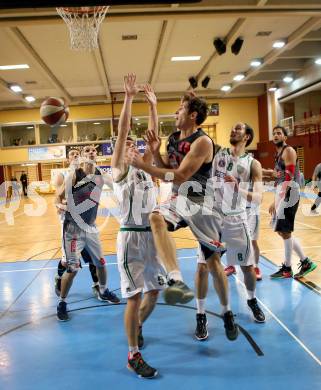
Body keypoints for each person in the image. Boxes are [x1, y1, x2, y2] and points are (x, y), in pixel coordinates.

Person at [126, 93, 238, 341]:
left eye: (180, 109)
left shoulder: (203, 142)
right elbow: (167, 166)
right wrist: (155, 154)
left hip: (203, 203)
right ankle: (175, 278)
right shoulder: (174, 138)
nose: (176, 113)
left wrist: (144, 165)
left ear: (193, 115)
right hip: (179, 199)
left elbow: (181, 175)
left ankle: (227, 311)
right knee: (155, 217)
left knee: (212, 264)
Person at [112, 74, 165, 379]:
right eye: (126, 145)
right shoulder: (120, 171)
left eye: (135, 145)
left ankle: (139, 325)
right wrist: (129, 99)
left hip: (151, 239)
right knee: (133, 297)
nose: (131, 146)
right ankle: (133, 355)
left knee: (155, 292)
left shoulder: (146, 171)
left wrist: (153, 105)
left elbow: (153, 137)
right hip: (130, 237)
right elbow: (122, 132)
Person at [194, 123, 265, 341]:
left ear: (247, 136)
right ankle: (201, 314)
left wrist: (238, 187)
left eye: (238, 129)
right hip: (213, 217)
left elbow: (259, 197)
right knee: (202, 267)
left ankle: (251, 299)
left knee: (247, 268)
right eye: (232, 129)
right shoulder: (217, 153)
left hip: (237, 218)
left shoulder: (253, 164)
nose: (233, 131)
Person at [55, 145, 120, 321]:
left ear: (96, 155)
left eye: (93, 151)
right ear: (83, 156)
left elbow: (119, 187)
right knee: (73, 269)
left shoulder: (102, 176)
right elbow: (57, 197)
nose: (91, 152)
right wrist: (61, 206)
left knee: (100, 262)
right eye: (87, 151)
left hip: (90, 227)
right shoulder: (75, 174)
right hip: (73, 228)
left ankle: (104, 290)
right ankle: (62, 302)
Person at [262, 125, 316, 279]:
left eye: (279, 133)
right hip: (283, 193)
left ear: (285, 137)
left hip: (290, 192)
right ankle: (304, 262)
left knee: (285, 231)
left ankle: (287, 268)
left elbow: (289, 177)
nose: (276, 135)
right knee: (281, 230)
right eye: (274, 134)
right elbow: (278, 177)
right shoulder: (278, 154)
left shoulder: (289, 151)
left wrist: (279, 200)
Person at [54, 149, 102, 300]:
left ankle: (97, 285)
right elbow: (57, 197)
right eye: (72, 154)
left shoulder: (88, 172)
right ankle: (59, 277)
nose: (75, 156)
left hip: (86, 222)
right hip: (69, 223)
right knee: (67, 261)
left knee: (94, 257)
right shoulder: (64, 175)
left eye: (77, 154)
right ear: (68, 159)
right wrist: (62, 205)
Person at [224, 178, 262, 281]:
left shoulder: (253, 169)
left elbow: (259, 197)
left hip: (252, 212)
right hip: (239, 210)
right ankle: (231, 265)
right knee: (231, 239)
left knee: (253, 241)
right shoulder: (234, 168)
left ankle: (256, 267)